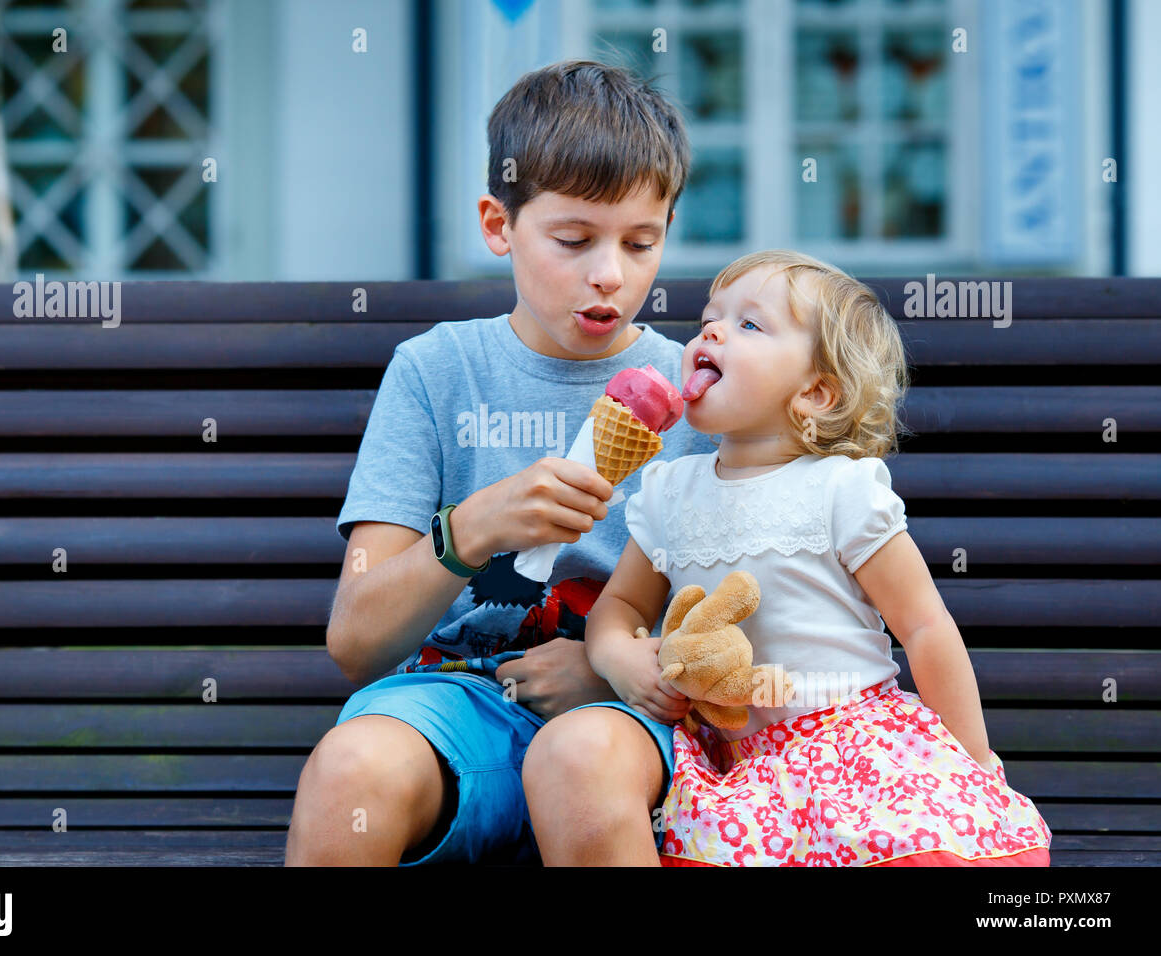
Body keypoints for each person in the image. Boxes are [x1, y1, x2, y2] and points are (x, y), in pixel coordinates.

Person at [285, 59, 718, 866]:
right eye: (573, 240)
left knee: (581, 762)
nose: (610, 275)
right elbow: (356, 642)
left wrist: (612, 666)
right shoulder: (434, 372)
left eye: (640, 242)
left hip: (631, 724)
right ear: (498, 224)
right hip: (451, 707)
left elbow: (758, 623)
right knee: (350, 771)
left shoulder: (701, 397)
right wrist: (472, 529)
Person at [570, 248, 1053, 866]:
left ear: (816, 392)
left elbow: (926, 627)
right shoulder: (670, 490)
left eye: (749, 324)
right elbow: (621, 605)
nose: (710, 331)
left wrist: (974, 764)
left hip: (852, 744)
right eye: (708, 319)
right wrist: (619, 659)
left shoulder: (841, 490)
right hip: (736, 767)